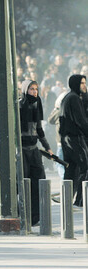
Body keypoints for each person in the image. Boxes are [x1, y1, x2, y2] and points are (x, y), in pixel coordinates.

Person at [19, 80, 53, 226]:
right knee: (23, 183)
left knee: (38, 182)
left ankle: (36, 216)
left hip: (34, 150)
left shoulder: (37, 104)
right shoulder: (19, 106)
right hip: (22, 150)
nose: (34, 92)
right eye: (31, 89)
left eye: (36, 89)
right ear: (25, 90)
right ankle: (23, 216)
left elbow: (39, 129)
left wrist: (47, 147)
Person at [59, 74, 88, 207]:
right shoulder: (74, 98)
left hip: (67, 139)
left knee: (71, 169)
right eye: (82, 83)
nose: (84, 85)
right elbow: (81, 121)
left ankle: (67, 200)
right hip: (75, 138)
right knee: (85, 167)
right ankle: (80, 200)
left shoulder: (68, 97)